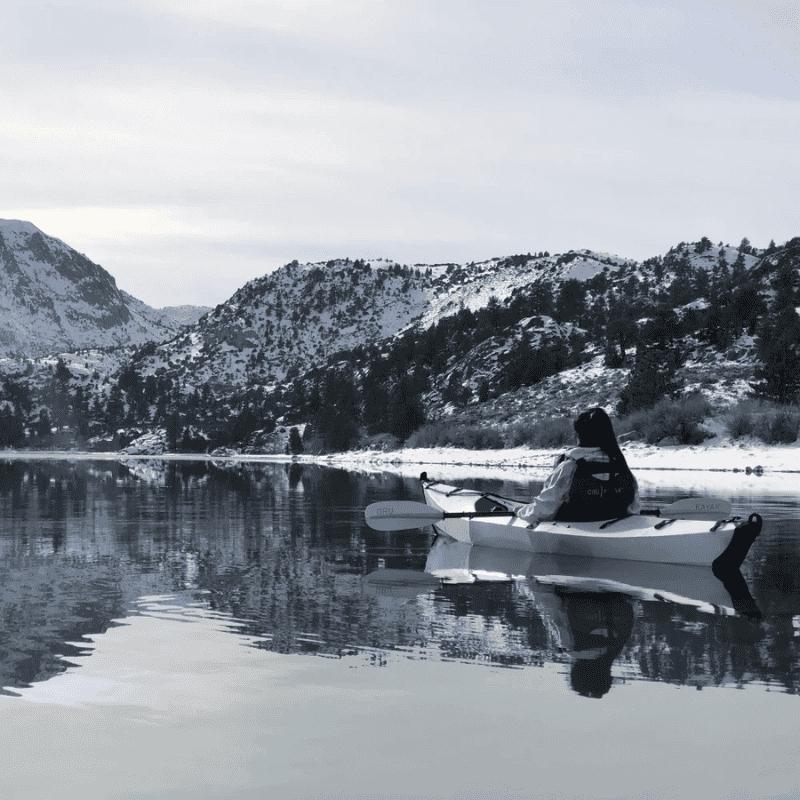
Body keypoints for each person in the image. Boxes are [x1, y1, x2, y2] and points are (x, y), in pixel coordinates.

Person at [515, 407, 640, 525]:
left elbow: (543, 511)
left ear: (579, 435)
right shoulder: (621, 467)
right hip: (615, 526)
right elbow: (634, 510)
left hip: (576, 528)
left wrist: (519, 512)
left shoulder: (569, 467)